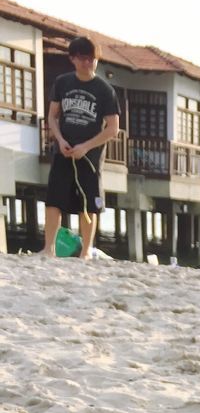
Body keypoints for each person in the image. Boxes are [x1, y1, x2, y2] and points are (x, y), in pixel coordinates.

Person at [41, 37, 120, 260]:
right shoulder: (63, 83)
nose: (88, 63)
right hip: (63, 151)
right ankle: (49, 249)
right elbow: (53, 116)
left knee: (88, 204)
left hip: (90, 156)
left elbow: (113, 128)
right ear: (73, 59)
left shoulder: (105, 90)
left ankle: (85, 252)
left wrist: (86, 146)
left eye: (92, 59)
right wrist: (60, 139)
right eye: (83, 59)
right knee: (54, 200)